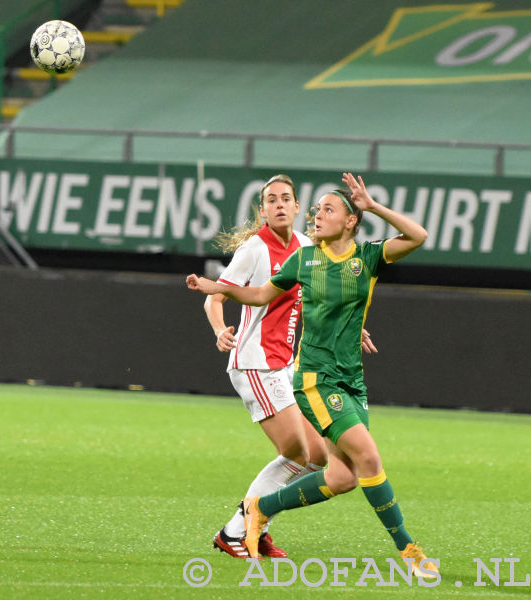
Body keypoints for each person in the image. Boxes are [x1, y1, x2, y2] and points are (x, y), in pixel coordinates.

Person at [187, 173, 439, 579]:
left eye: (323, 208)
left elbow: (416, 236)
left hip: (344, 379)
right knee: (353, 456)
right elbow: (251, 294)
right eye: (273, 199)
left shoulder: (345, 254)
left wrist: (373, 206)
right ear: (264, 208)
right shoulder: (285, 255)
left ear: (350, 220)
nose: (310, 213)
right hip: (287, 371)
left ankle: (260, 510)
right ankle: (408, 550)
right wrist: (212, 293)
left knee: (337, 474)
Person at [205, 174, 376, 560]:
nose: (280, 204)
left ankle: (255, 525)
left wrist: (354, 325)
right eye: (271, 200)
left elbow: (327, 295)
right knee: (298, 451)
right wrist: (219, 329)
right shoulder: (254, 249)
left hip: (284, 365)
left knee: (316, 455)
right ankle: (237, 531)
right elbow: (215, 295)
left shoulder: (305, 246)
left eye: (286, 198)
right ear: (263, 210)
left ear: (298, 207)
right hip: (255, 363)